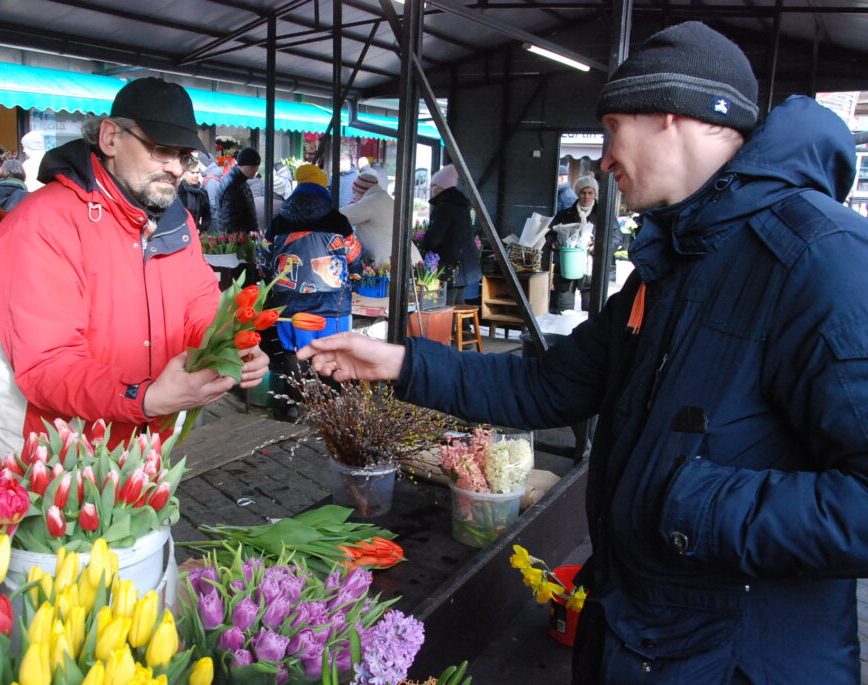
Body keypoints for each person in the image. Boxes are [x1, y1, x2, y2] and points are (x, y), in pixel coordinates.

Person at [298, 21, 868, 683]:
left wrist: (690, 503)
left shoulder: (817, 260)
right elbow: (547, 386)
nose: (602, 158)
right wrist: (400, 362)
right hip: (635, 634)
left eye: (612, 127)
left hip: (738, 661)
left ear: (670, 116)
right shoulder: (671, 265)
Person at [0, 77, 269, 456]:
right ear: (110, 138)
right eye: (161, 149)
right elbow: (48, 367)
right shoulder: (42, 224)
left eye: (183, 156)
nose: (176, 168)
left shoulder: (175, 223)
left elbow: (200, 312)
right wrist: (145, 397)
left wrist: (231, 346)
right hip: (46, 454)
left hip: (143, 447)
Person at [260, 175, 362, 418]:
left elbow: (264, 257)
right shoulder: (338, 220)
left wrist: (269, 282)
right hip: (332, 301)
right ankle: (335, 402)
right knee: (335, 350)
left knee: (292, 350)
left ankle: (294, 404)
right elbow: (354, 254)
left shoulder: (279, 222)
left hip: (290, 300)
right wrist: (356, 274)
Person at [546, 175, 618, 313]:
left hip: (592, 270)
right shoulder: (565, 214)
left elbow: (616, 237)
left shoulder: (604, 215)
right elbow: (550, 234)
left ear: (595, 194)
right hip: (566, 270)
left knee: (591, 311)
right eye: (583, 193)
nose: (586, 196)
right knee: (563, 310)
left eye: (590, 193)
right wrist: (553, 243)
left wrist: (599, 246)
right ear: (578, 193)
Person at [422, 164, 482, 305]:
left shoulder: (444, 207)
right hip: (466, 262)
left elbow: (435, 238)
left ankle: (449, 328)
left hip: (451, 263)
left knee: (446, 305)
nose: (432, 189)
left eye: (434, 185)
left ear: (443, 187)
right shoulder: (461, 204)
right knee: (459, 302)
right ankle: (464, 327)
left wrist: (425, 244)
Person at [340, 171, 421, 267]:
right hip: (408, 259)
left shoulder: (371, 201)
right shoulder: (384, 198)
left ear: (361, 191)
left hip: (389, 262)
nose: (353, 196)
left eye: (354, 192)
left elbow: (340, 216)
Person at [214, 146, 260, 234]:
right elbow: (230, 223)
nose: (255, 170)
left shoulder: (239, 181)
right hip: (237, 242)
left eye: (257, 166)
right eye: (253, 166)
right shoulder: (233, 185)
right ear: (242, 165)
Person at [177, 158, 211, 233]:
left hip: (195, 233)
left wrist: (200, 228)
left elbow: (207, 216)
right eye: (192, 173)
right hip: (179, 234)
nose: (196, 175)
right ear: (184, 173)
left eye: (197, 172)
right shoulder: (177, 192)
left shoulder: (202, 193)